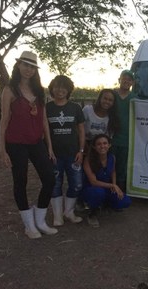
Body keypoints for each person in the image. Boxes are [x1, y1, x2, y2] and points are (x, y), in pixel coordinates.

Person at [0, 51, 57, 239]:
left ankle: (40, 220)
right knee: (20, 181)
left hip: (36, 142)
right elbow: (4, 120)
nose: (28, 69)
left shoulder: (40, 91)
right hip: (15, 143)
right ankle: (28, 224)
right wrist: (2, 149)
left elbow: (44, 121)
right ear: (18, 66)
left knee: (49, 178)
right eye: (25, 65)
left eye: (32, 66)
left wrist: (49, 146)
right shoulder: (10, 90)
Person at [46, 75, 85, 226]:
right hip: (54, 155)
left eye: (63, 87)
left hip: (73, 154)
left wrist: (81, 150)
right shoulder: (47, 108)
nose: (60, 90)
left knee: (77, 184)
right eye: (57, 86)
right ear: (52, 89)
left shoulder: (75, 108)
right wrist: (48, 150)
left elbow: (81, 131)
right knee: (55, 184)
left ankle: (68, 212)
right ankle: (57, 216)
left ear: (68, 89)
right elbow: (45, 131)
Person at [82, 134, 132, 227]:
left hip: (107, 188)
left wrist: (114, 183)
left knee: (125, 201)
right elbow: (93, 182)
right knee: (98, 193)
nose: (102, 146)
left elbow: (113, 172)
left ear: (109, 145)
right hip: (92, 189)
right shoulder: (88, 160)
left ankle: (106, 204)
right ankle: (92, 213)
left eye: (105, 143)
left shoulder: (112, 157)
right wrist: (113, 186)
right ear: (94, 146)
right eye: (99, 144)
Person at [112, 70, 136, 191]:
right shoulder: (112, 95)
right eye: (124, 78)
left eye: (129, 79)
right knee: (108, 165)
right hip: (110, 138)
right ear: (119, 79)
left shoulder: (134, 98)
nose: (126, 81)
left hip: (126, 139)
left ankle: (119, 193)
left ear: (132, 82)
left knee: (122, 167)